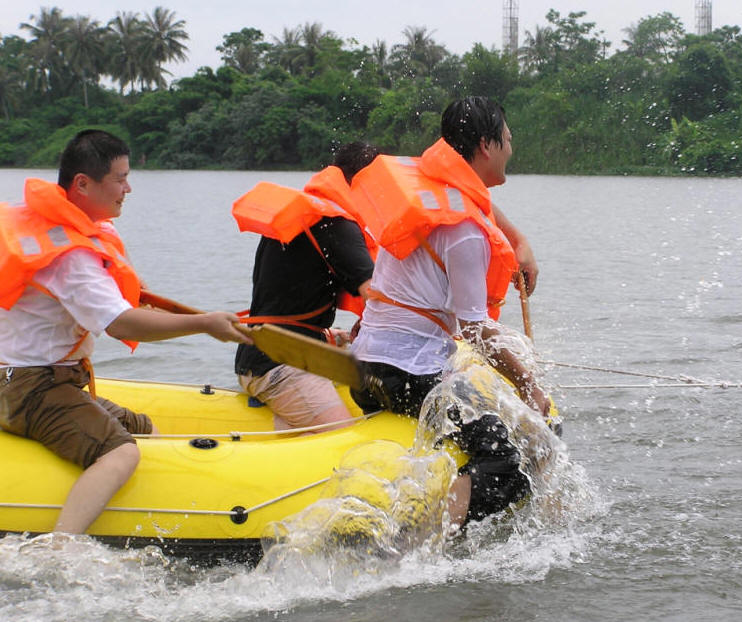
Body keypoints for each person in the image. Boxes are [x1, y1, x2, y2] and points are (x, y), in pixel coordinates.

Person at [0, 129, 251, 535]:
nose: (128, 188)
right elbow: (120, 323)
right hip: (29, 387)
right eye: (119, 179)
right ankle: (61, 548)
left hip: (44, 380)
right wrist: (203, 324)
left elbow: (122, 299)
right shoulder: (70, 256)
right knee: (120, 454)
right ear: (82, 183)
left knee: (145, 428)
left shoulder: (59, 228)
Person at [349, 97, 550, 527]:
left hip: (366, 370)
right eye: (508, 140)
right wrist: (529, 386)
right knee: (507, 464)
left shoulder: (434, 197)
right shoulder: (464, 233)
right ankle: (420, 548)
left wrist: (519, 243)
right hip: (406, 376)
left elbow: (478, 202)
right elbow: (475, 331)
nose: (512, 149)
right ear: (486, 146)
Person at [233, 143, 378, 432]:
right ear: (367, 184)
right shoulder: (334, 223)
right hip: (280, 364)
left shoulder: (301, 215)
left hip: (262, 352)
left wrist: (327, 336)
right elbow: (378, 297)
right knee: (348, 442)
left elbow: (288, 299)